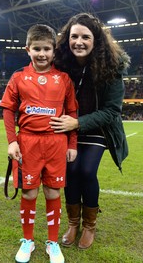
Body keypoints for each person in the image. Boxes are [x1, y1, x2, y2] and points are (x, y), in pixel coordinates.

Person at [49, 13, 130, 249]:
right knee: (71, 171)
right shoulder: (61, 64)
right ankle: (73, 223)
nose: (79, 42)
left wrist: (77, 123)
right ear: (67, 39)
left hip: (98, 128)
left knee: (85, 170)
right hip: (69, 129)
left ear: (96, 40)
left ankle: (89, 226)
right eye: (74, 36)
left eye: (86, 37)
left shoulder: (112, 67)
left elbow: (112, 111)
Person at [0, 24, 78, 263]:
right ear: (28, 49)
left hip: (56, 143)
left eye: (46, 49)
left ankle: (53, 243)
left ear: (54, 51)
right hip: (27, 143)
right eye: (37, 49)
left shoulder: (63, 79)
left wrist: (72, 144)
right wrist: (12, 141)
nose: (42, 54)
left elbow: (73, 112)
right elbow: (7, 109)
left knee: (53, 192)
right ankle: (28, 241)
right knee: (30, 192)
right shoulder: (18, 77)